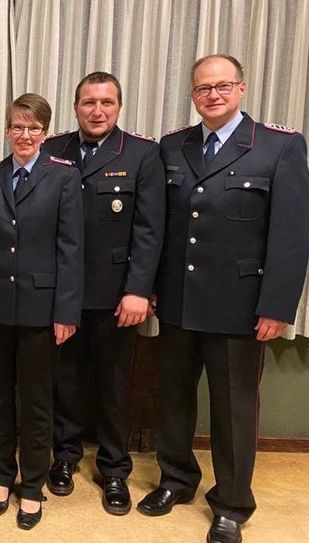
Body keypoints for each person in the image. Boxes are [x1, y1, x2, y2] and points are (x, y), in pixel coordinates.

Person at [138, 54, 309, 543]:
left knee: (233, 409)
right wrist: (148, 286)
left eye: (222, 86)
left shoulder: (279, 146)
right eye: (203, 88)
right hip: (177, 301)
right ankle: (176, 479)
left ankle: (232, 504)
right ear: (193, 94)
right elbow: (159, 227)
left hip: (239, 305)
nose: (212, 95)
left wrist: (277, 305)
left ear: (242, 89)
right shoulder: (173, 146)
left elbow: (292, 235)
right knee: (172, 398)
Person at [0, 93, 84, 530]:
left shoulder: (64, 177)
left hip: (41, 309)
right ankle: (1, 478)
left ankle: (32, 485)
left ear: (45, 133)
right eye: (17, 126)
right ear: (7, 130)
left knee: (35, 402)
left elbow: (71, 249)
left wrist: (66, 311)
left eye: (33, 128)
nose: (24, 135)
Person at [42, 71, 165, 514]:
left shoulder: (142, 153)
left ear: (118, 106)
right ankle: (65, 457)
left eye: (107, 103)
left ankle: (115, 470)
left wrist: (138, 290)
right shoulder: (52, 149)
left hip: (116, 296)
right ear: (75, 106)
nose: (97, 111)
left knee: (114, 383)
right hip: (60, 292)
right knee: (65, 379)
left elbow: (150, 231)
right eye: (89, 102)